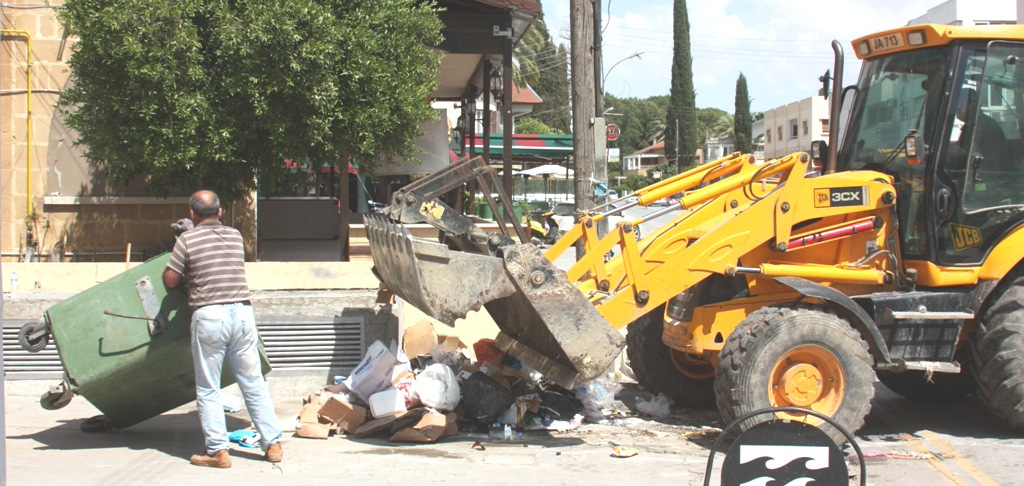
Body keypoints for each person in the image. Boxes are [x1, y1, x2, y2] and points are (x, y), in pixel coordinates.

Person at [163, 190, 283, 468]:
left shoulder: (187, 239)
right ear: (219, 212)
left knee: (208, 388)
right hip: (242, 314)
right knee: (253, 382)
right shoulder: (234, 236)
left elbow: (171, 280)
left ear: (192, 214)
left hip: (210, 316)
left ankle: (218, 451)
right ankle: (273, 443)